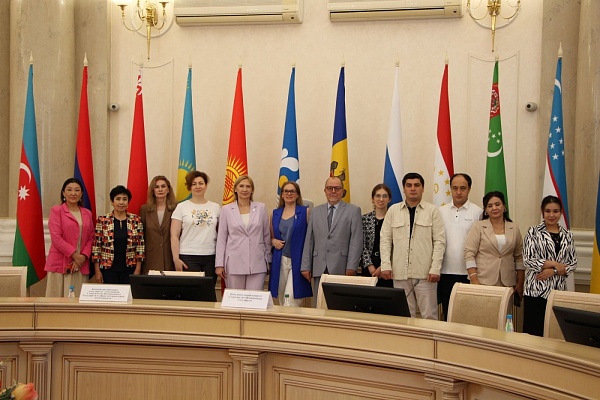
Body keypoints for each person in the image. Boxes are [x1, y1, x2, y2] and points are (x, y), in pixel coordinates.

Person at [380, 172, 446, 320]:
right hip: (399, 273)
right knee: (403, 316)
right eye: (409, 185)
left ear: (423, 188)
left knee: (429, 316)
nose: (413, 188)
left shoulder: (432, 211)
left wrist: (435, 268)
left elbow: (439, 241)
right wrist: (386, 265)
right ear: (404, 188)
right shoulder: (393, 211)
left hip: (425, 275)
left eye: (417, 185)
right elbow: (385, 240)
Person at [301, 176, 363, 302]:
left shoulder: (353, 211)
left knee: (339, 305)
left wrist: (352, 266)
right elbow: (309, 240)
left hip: (342, 266)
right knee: (319, 304)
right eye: (330, 188)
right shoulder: (315, 211)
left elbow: (356, 241)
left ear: (342, 191)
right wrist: (305, 266)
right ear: (325, 191)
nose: (333, 191)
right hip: (319, 266)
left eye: (337, 188)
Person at [523, 195, 577, 336]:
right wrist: (554, 264)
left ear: (561, 212)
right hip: (536, 291)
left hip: (557, 292)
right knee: (533, 334)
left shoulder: (568, 235)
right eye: (547, 211)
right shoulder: (533, 232)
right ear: (542, 212)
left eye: (555, 211)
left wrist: (553, 271)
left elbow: (572, 263)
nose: (551, 215)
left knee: (554, 334)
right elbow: (528, 260)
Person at [437, 173, 483, 320]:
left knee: (468, 316)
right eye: (455, 188)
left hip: (469, 273)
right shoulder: (440, 211)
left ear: (469, 189)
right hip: (445, 272)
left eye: (463, 188)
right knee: (448, 314)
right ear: (450, 188)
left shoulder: (478, 212)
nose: (458, 192)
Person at [464, 191, 524, 299]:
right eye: (490, 206)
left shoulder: (514, 228)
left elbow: (519, 257)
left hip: (507, 283)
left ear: (504, 207)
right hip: (482, 281)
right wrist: (474, 279)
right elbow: (469, 254)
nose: (494, 208)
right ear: (485, 210)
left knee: (505, 310)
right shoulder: (478, 227)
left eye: (497, 204)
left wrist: (520, 282)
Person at [215, 175, 270, 290]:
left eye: (248, 186)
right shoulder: (226, 209)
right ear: (235, 189)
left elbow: (266, 236)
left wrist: (268, 260)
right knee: (235, 298)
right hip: (234, 263)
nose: (244, 189)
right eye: (241, 186)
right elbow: (221, 239)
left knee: (255, 298)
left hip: (257, 262)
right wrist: (219, 264)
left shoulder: (261, 208)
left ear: (252, 190)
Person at [45, 178, 95, 297]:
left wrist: (82, 257)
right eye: (69, 190)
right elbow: (56, 238)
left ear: (81, 194)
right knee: (56, 301)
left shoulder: (87, 213)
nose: (73, 193)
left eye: (77, 190)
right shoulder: (56, 211)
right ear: (63, 193)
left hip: (80, 265)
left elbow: (91, 237)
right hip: (60, 264)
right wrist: (75, 255)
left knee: (77, 300)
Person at [171, 171, 221, 285]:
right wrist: (176, 259)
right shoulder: (181, 207)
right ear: (189, 187)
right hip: (188, 256)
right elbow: (174, 236)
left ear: (206, 185)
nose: (198, 186)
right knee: (191, 291)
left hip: (211, 256)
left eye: (201, 183)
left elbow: (221, 234)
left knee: (207, 291)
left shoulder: (216, 207)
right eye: (194, 184)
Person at [269, 181, 313, 306]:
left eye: (292, 191)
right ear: (282, 195)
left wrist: (308, 264)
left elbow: (311, 238)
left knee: (291, 299)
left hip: (298, 261)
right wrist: (273, 241)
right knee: (281, 297)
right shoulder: (275, 214)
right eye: (286, 191)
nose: (289, 194)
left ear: (297, 194)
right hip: (280, 260)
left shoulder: (305, 212)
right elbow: (270, 236)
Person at [92, 185, 144, 284]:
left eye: (124, 199)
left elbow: (140, 246)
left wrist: (138, 269)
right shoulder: (103, 220)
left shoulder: (136, 220)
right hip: (108, 268)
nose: (121, 202)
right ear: (112, 202)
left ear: (128, 202)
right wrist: (97, 271)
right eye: (118, 199)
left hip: (130, 267)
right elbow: (96, 247)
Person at [140, 175, 176, 274]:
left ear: (168, 189)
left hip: (170, 257)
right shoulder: (144, 209)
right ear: (153, 190)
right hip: (151, 257)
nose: (160, 189)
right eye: (156, 187)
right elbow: (142, 235)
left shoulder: (176, 208)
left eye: (163, 186)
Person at [360, 183, 393, 288]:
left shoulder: (395, 219)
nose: (381, 199)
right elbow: (361, 244)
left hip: (388, 269)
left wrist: (383, 266)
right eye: (378, 196)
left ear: (389, 199)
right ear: (372, 199)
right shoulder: (364, 219)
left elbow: (397, 245)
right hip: (369, 267)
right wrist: (370, 266)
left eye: (385, 196)